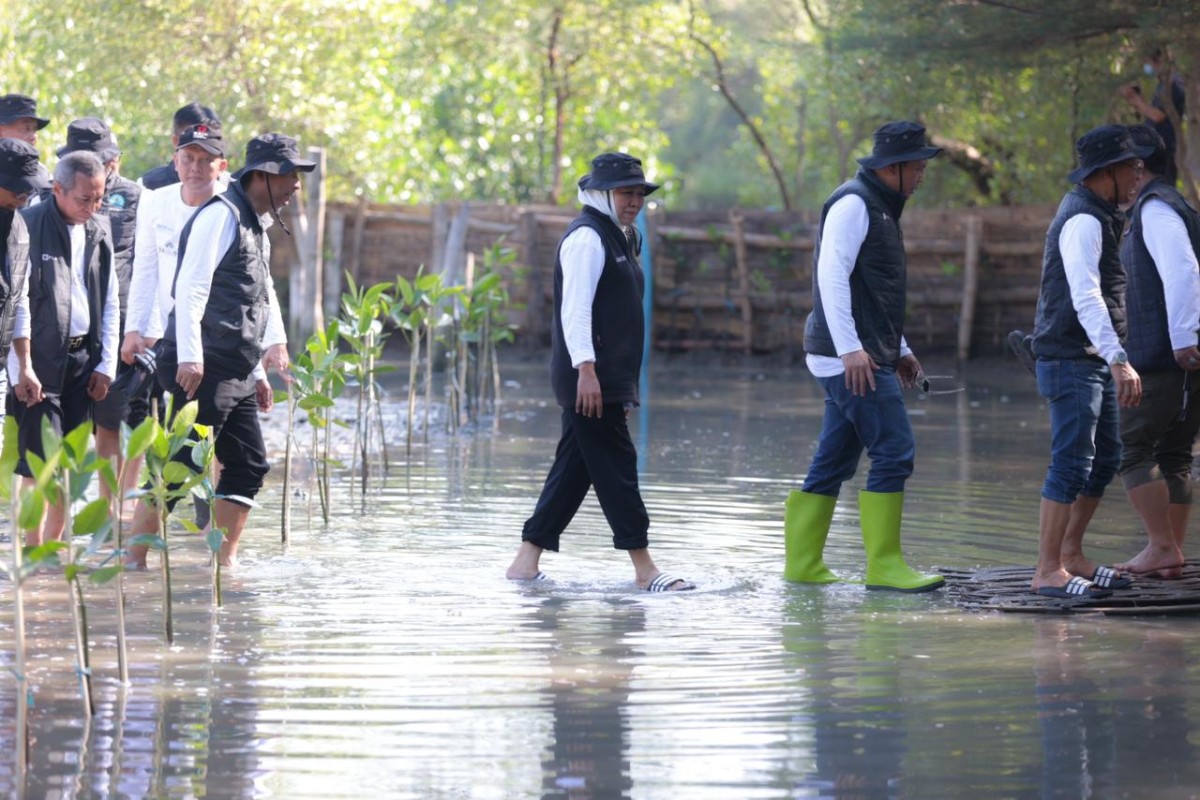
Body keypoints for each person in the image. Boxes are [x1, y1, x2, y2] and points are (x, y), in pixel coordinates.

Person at [505, 153, 692, 592]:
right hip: (587, 376)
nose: (634, 201)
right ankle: (645, 570)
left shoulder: (621, 237)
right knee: (617, 466)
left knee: (574, 469)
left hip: (605, 377)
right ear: (602, 194)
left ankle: (524, 564)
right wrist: (586, 370)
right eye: (626, 192)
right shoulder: (587, 239)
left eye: (639, 193)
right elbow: (575, 310)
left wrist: (620, 387)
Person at [124, 133, 304, 569]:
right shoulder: (220, 217)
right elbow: (189, 289)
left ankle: (224, 564)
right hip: (204, 364)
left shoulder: (255, 221)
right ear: (261, 175)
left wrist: (259, 372)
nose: (295, 185)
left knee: (248, 464)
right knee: (181, 466)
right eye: (289, 174)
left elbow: (255, 297)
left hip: (236, 366)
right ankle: (132, 560)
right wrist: (190, 357)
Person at [783, 120, 944, 593]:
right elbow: (830, 276)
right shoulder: (854, 204)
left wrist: (902, 351)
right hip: (846, 356)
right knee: (894, 451)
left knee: (834, 460)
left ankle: (803, 565)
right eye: (915, 168)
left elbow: (875, 293)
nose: (921, 177)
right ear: (890, 169)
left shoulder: (882, 209)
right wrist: (852, 349)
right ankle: (885, 566)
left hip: (864, 351)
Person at [1028, 124, 1152, 599]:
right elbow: (1086, 296)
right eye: (1133, 168)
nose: (1139, 176)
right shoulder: (1083, 219)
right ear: (1109, 173)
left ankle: (1071, 555)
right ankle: (1046, 570)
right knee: (1071, 464)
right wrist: (1119, 358)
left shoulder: (1101, 214)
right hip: (1071, 358)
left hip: (1091, 357)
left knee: (1105, 460)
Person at [9, 150, 119, 547]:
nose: (93, 207)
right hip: (38, 363)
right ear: (57, 189)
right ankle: (34, 549)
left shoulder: (100, 229)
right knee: (43, 464)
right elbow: (13, 302)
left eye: (99, 197)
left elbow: (109, 299)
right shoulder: (26, 225)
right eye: (84, 199)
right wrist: (19, 368)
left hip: (83, 361)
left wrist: (106, 362)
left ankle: (51, 551)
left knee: (70, 462)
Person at [1113, 125, 1200, 580]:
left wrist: (1185, 337)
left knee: (1131, 448)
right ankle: (1170, 552)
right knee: (1174, 452)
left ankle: (1163, 546)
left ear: (1139, 167)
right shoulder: (1171, 204)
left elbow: (1183, 271)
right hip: (1178, 356)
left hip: (1163, 357)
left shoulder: (1157, 210)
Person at [52, 119, 144, 517]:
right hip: (66, 325)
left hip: (120, 325)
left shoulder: (137, 198)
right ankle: (58, 521)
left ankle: (114, 512)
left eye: (101, 161)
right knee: (68, 425)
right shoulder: (51, 198)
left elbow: (148, 263)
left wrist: (140, 327)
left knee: (113, 418)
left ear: (115, 160)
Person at [0, 139, 49, 427]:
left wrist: (25, 366)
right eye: (18, 185)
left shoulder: (20, 226)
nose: (26, 192)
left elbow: (19, 300)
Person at [1119, 46, 1186, 187]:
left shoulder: (1174, 85)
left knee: (1164, 187)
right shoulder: (1161, 85)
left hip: (1166, 146)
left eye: (1148, 63)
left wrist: (1136, 99)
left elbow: (1158, 116)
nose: (1148, 67)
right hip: (1154, 146)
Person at [139, 102, 221, 191]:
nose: (196, 168)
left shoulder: (231, 187)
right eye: (192, 140)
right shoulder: (149, 185)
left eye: (211, 140)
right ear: (176, 141)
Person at [0, 93, 51, 191]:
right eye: (26, 129)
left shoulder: (41, 172)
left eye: (35, 129)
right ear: (1, 131)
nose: (33, 136)